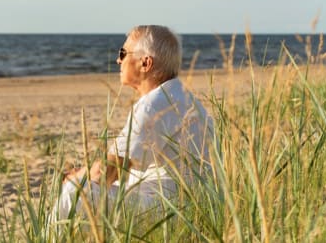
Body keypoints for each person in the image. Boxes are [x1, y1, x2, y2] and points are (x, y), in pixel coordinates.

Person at [49, 25, 213, 225]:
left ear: (145, 63)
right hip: (196, 205)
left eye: (123, 53)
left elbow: (109, 171)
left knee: (74, 192)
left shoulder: (154, 105)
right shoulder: (182, 97)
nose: (118, 60)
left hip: (170, 211)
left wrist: (75, 178)